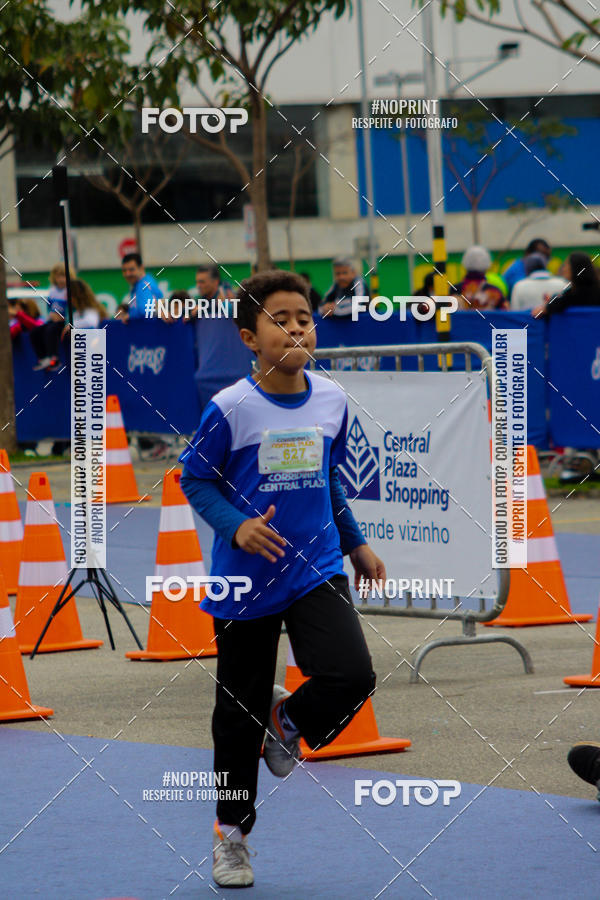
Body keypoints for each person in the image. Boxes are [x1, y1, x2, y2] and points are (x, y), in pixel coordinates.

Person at [179, 269, 383, 888]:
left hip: (316, 566)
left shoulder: (331, 399)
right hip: (246, 581)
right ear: (249, 336)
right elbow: (195, 480)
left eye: (304, 317)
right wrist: (237, 526)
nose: (296, 327)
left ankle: (287, 723)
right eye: (281, 319)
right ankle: (232, 838)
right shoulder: (231, 408)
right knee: (235, 714)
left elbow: (328, 480)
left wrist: (357, 542)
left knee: (353, 674)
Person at [191, 263, 253, 412]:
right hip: (209, 367)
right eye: (197, 281)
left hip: (234, 367)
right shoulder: (202, 299)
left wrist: (205, 308)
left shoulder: (228, 294)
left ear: (215, 281)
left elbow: (229, 308)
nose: (199, 285)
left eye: (202, 282)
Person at [29, 263, 76, 371]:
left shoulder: (70, 290)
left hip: (64, 322)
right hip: (53, 320)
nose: (61, 279)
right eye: (58, 276)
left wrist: (64, 319)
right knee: (35, 332)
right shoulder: (53, 291)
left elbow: (72, 309)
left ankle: (54, 358)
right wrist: (51, 316)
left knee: (51, 330)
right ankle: (43, 358)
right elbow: (49, 307)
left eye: (63, 276)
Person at [533, 252, 600, 317]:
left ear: (576, 268)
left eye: (566, 265)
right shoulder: (593, 290)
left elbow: (537, 313)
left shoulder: (571, 295)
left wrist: (547, 306)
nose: (563, 268)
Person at [120, 252, 163, 320]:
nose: (127, 274)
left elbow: (146, 311)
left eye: (131, 270)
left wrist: (129, 316)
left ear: (141, 268)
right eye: (124, 271)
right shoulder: (139, 285)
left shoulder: (143, 285)